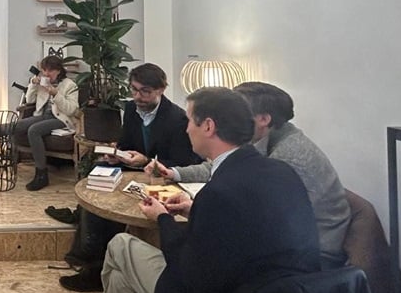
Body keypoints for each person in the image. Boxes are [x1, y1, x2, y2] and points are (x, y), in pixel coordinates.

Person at [66, 87, 320, 293]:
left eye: (190, 120)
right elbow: (243, 234)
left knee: (120, 247)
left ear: (209, 127)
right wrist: (193, 209)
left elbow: (191, 277)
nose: (186, 127)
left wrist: (163, 220)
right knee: (125, 280)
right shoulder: (278, 172)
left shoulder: (221, 191)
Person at [145, 81, 350, 267]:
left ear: (263, 119)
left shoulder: (286, 159)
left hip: (309, 259)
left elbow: (256, 230)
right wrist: (175, 174)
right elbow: (222, 167)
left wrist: (175, 218)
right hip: (279, 250)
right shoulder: (264, 142)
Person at [59, 63, 202, 292]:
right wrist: (117, 155)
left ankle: (96, 269)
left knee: (110, 207)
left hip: (162, 178)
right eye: (134, 90)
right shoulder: (133, 111)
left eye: (145, 91)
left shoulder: (177, 119)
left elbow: (184, 163)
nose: (138, 96)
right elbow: (126, 145)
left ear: (161, 89)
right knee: (96, 188)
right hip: (136, 169)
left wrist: (146, 161)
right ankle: (87, 257)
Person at [8, 55, 80, 191]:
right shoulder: (42, 82)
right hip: (43, 116)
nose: (47, 74)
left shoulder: (70, 85)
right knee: (17, 125)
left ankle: (41, 175)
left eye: (50, 71)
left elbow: (72, 110)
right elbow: (29, 100)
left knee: (34, 130)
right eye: (44, 71)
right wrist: (33, 84)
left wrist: (55, 94)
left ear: (59, 70)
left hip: (61, 119)